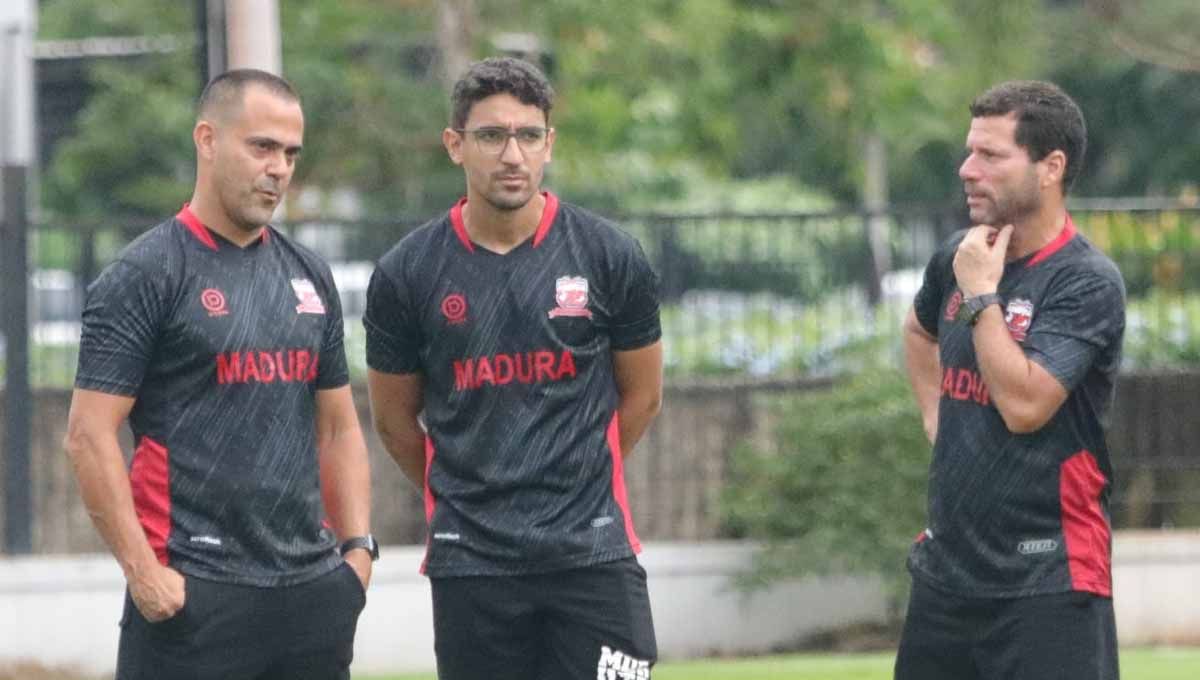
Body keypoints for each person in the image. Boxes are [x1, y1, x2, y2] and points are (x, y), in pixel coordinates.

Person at [64, 69, 376, 680]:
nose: (279, 168)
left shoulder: (309, 276)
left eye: (290, 153)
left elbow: (339, 429)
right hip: (194, 597)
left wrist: (357, 555)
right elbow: (87, 435)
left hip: (311, 596)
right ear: (207, 140)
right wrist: (144, 575)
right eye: (261, 146)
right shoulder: (146, 275)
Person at [365, 56, 663, 680]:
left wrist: (577, 476)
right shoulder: (406, 272)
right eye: (492, 136)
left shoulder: (609, 255)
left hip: (593, 554)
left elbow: (643, 397)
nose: (512, 155)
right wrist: (471, 494)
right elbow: (394, 421)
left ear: (548, 145)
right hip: (473, 562)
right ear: (455, 145)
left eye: (528, 136)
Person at [897, 80, 1126, 680]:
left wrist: (980, 293)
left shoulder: (1086, 282)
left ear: (1051, 167)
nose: (966, 169)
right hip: (945, 576)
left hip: (1049, 579)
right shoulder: (957, 255)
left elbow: (1024, 404)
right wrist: (934, 415)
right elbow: (918, 334)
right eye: (970, 151)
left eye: (991, 156)